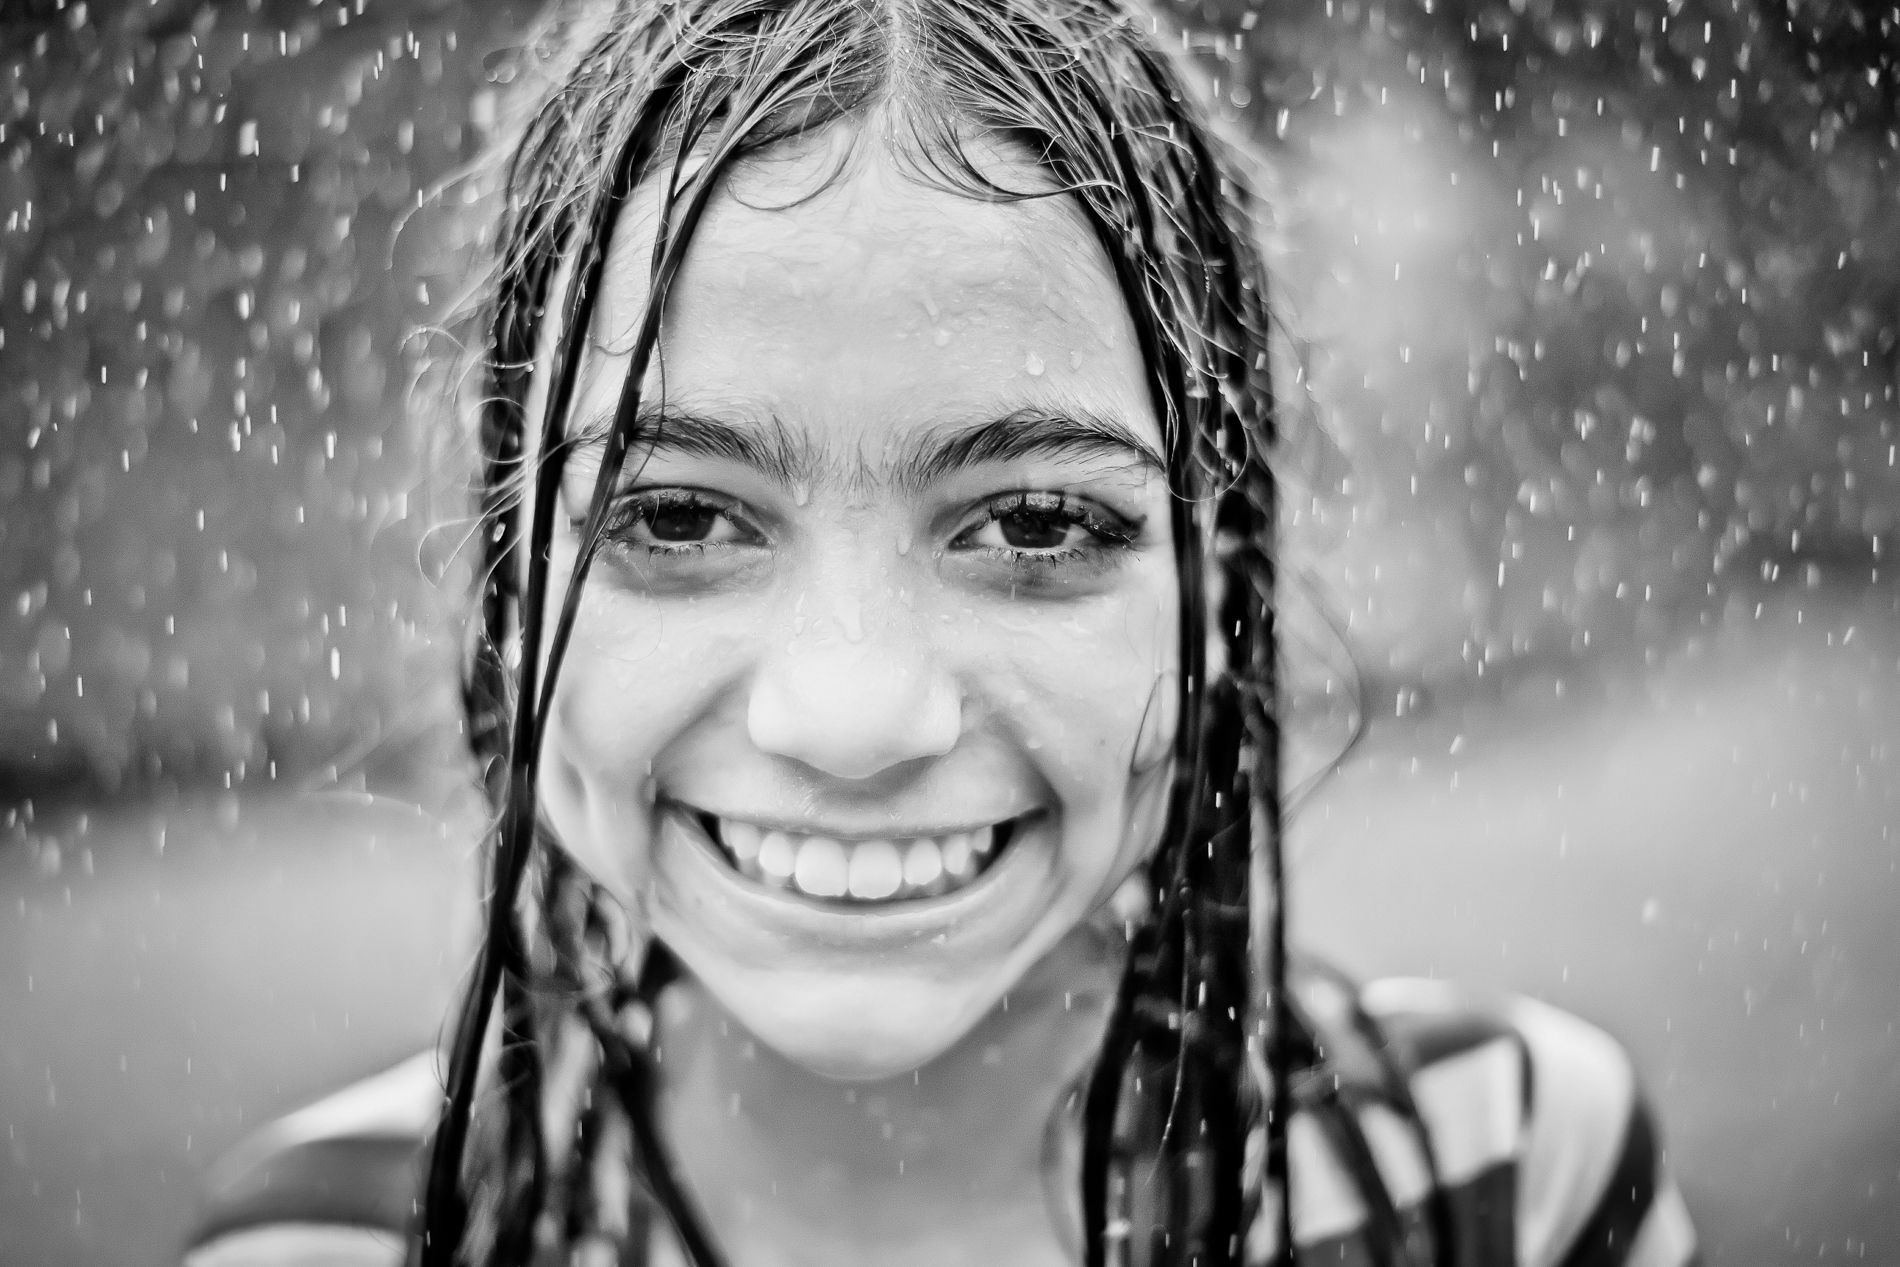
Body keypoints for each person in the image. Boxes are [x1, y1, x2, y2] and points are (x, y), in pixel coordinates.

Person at [184, 0, 1702, 1264]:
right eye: (676, 520)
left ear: (1212, 600)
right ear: (510, 599)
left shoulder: (1507, 1173)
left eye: (1038, 524)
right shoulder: (325, 1249)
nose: (852, 717)